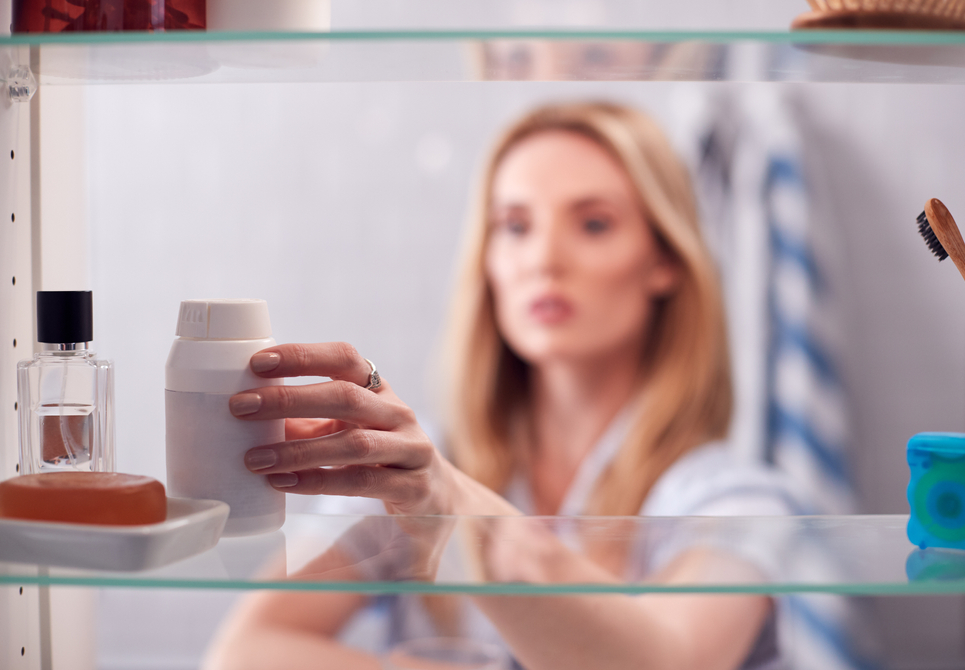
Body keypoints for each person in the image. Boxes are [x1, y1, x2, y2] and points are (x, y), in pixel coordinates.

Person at [204, 101, 798, 670]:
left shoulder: (733, 501)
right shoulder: (408, 465)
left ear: (664, 260)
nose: (543, 258)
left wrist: (450, 503)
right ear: (486, 261)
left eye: (593, 223)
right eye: (514, 226)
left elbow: (669, 661)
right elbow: (244, 654)